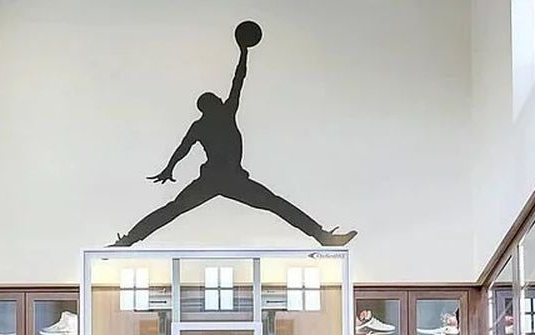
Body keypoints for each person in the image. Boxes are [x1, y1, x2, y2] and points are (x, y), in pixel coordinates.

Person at [116, 36, 356, 247]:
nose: (222, 99)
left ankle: (127, 240)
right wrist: (243, 51)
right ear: (213, 104)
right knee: (275, 204)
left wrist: (170, 168)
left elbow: (182, 149)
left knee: (173, 209)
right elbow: (237, 81)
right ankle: (321, 236)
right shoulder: (224, 113)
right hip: (227, 179)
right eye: (218, 99)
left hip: (217, 179)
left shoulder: (201, 124)